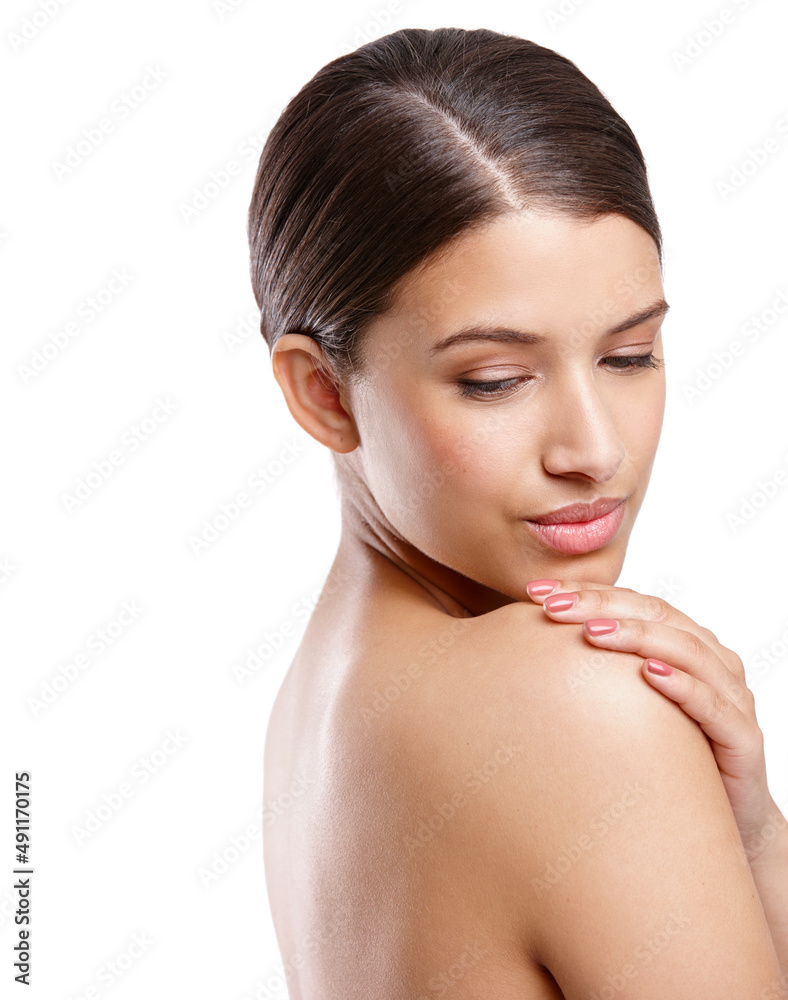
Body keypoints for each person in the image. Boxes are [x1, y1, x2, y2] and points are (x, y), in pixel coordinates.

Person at [247, 26, 788, 998]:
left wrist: (752, 837)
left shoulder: (322, 708)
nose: (593, 448)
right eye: (494, 379)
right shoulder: (572, 702)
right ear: (322, 392)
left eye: (627, 356)